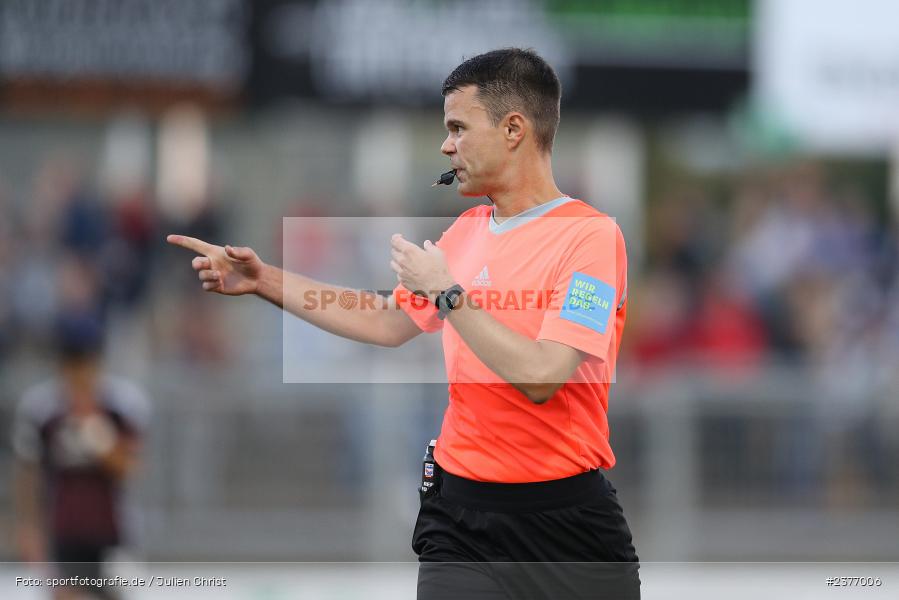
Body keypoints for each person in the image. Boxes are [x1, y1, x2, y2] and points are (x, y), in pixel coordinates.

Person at [168, 48, 638, 599]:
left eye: (459, 128)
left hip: (569, 528)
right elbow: (387, 321)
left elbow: (542, 375)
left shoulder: (591, 238)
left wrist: (446, 294)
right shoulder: (466, 231)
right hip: (463, 518)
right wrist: (263, 280)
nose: (447, 146)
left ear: (514, 129)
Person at [12, 313, 150, 600]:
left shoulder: (122, 405)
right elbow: (30, 475)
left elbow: (130, 467)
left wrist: (99, 439)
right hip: (63, 531)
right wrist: (29, 529)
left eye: (86, 362)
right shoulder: (41, 409)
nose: (80, 373)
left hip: (114, 533)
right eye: (73, 363)